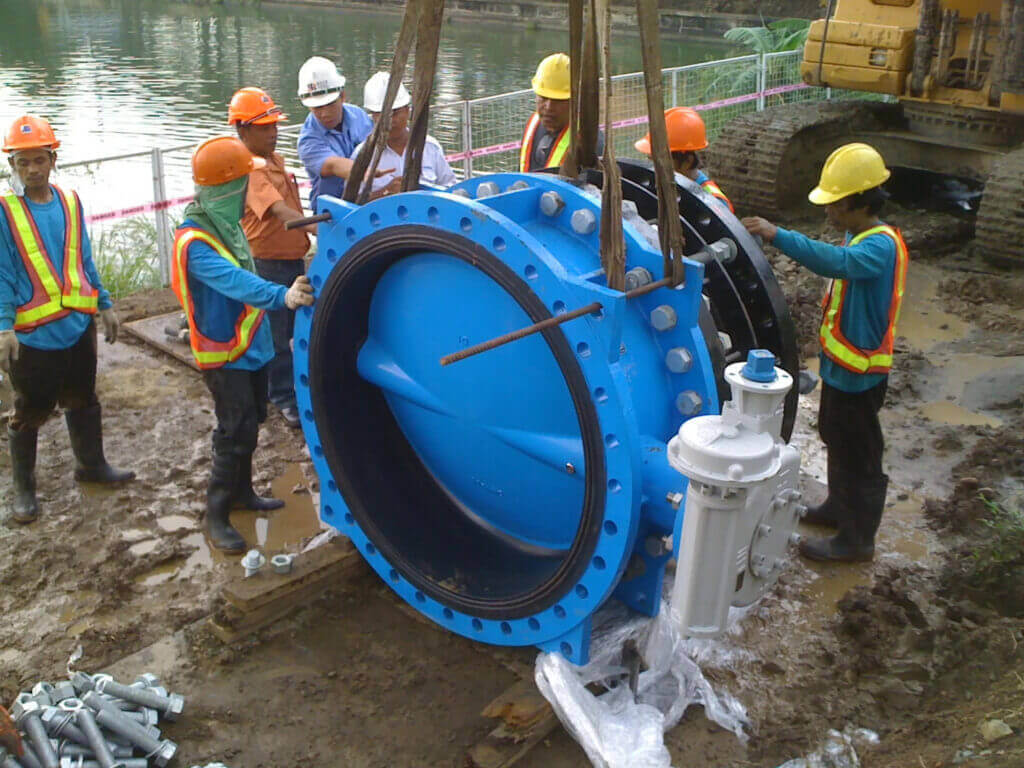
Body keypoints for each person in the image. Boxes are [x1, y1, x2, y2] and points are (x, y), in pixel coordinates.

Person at [742, 143, 908, 563]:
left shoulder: (879, 247)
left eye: (835, 203)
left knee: (860, 455)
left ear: (861, 202)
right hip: (841, 367)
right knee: (835, 436)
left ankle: (857, 539)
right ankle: (838, 508)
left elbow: (835, 262)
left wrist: (778, 234)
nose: (829, 211)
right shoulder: (859, 234)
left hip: (861, 374)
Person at [172, 136, 315, 552]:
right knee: (233, 430)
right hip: (223, 353)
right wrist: (281, 295)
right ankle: (216, 514)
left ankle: (242, 493)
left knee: (251, 422)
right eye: (241, 184)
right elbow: (236, 281)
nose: (245, 193)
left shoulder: (228, 227)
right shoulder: (195, 243)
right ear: (224, 189)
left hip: (251, 346)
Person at [0, 115, 134, 525]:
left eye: (39, 160)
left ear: (53, 160)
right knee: (30, 411)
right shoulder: (6, 212)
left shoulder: (70, 202)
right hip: (33, 336)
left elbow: (84, 259)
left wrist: (105, 304)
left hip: (77, 327)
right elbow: (2, 273)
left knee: (83, 397)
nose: (32, 170)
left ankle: (91, 465)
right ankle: (24, 490)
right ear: (12, 164)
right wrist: (4, 326)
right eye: (23, 162)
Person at [229, 86, 315, 428]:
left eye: (274, 125)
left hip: (290, 258)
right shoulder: (247, 167)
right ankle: (281, 395)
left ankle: (287, 386)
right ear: (242, 129)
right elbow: (280, 211)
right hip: (268, 263)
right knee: (277, 333)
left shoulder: (273, 160)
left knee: (292, 326)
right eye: (264, 128)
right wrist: (322, 228)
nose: (273, 133)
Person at [351, 72, 457, 198]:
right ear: (373, 116)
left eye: (395, 113)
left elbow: (450, 189)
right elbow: (352, 202)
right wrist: (385, 192)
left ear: (407, 111)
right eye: (382, 115)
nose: (390, 121)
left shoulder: (429, 147)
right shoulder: (363, 155)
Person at [296, 56, 375, 210]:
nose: (325, 114)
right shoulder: (308, 140)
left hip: (366, 201)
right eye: (317, 108)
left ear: (343, 96)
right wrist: (366, 172)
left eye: (330, 104)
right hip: (330, 212)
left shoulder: (359, 116)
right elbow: (333, 165)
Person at [634, 107, 734, 212]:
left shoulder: (714, 203)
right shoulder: (666, 185)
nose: (652, 167)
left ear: (688, 162)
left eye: (657, 161)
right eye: (650, 159)